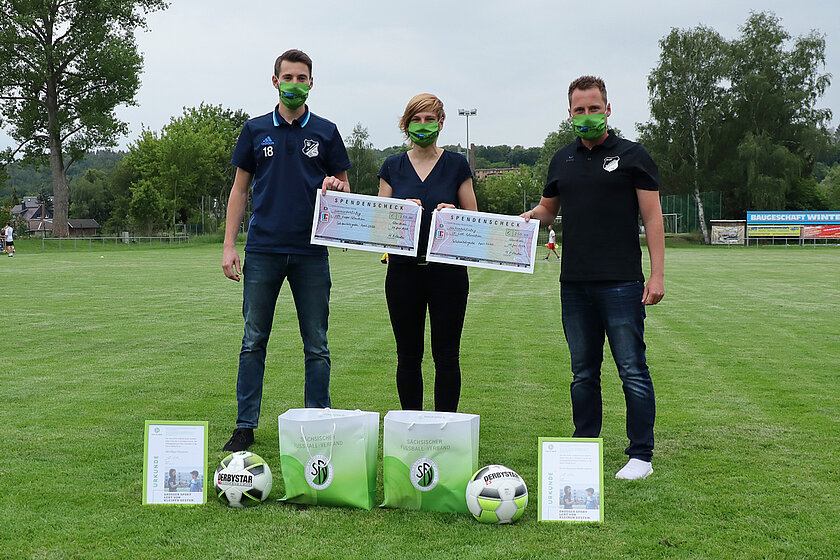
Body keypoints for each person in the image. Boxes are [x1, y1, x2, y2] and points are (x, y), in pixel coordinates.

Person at [522, 76, 665, 480]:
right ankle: (584, 446)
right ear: (569, 113)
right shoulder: (561, 159)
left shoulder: (633, 156)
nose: (587, 115)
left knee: (631, 368)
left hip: (622, 282)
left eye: (593, 108)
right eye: (579, 110)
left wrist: (656, 275)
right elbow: (548, 210)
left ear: (607, 109)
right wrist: (531, 217)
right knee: (583, 371)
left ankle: (641, 454)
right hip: (575, 283)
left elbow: (652, 218)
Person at [221, 49, 351, 452]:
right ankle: (245, 425)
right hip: (263, 250)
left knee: (317, 343)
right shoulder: (255, 129)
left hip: (312, 253)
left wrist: (339, 188)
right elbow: (240, 189)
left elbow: (345, 187)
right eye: (288, 76)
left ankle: (318, 419)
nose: (295, 83)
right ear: (275, 81)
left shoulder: (327, 132)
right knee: (253, 340)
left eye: (302, 77)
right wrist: (229, 245)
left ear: (311, 83)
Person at [377, 93, 477, 412]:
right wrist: (398, 211)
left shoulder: (457, 164)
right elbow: (380, 226)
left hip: (448, 274)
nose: (423, 125)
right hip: (403, 274)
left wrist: (455, 213)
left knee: (447, 356)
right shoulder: (392, 166)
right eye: (416, 119)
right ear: (406, 124)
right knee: (408, 356)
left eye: (429, 119)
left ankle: (445, 429)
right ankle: (413, 429)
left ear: (441, 123)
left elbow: (474, 221)